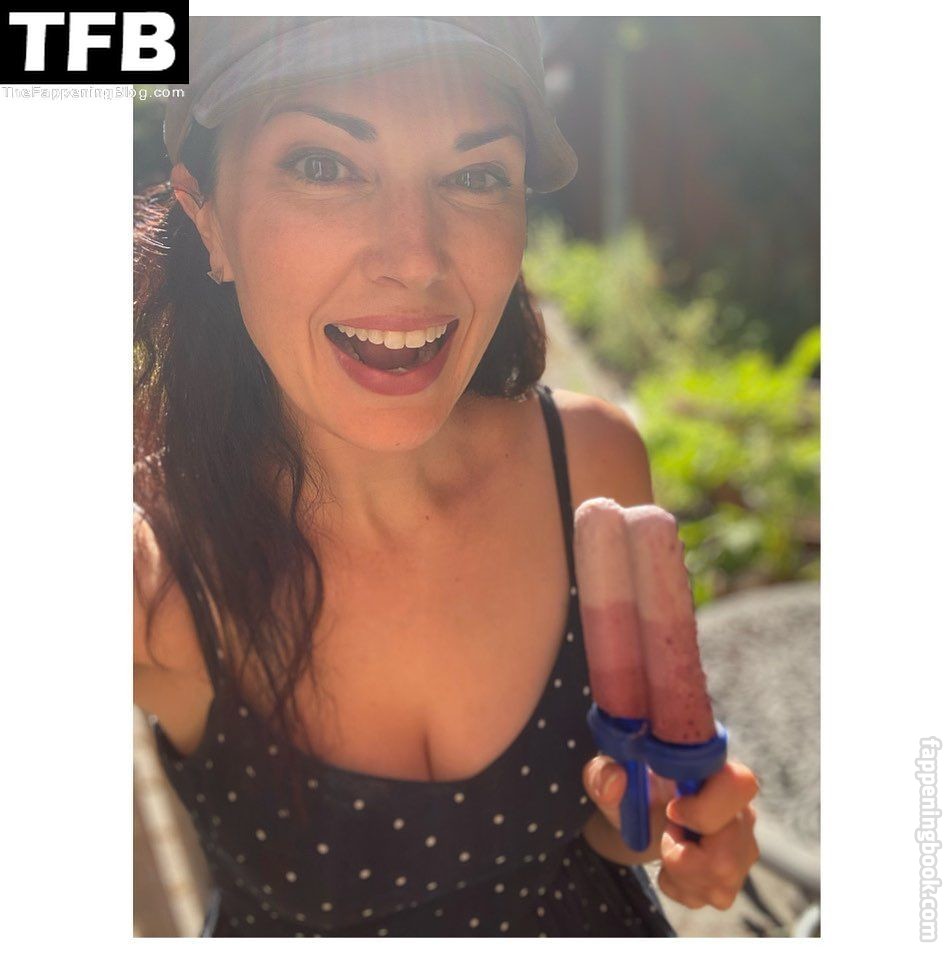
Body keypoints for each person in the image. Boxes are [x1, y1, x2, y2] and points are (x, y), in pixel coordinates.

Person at [133, 16, 759, 938]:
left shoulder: (590, 464)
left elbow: (604, 830)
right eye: (323, 166)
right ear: (208, 220)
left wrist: (669, 828)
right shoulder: (154, 574)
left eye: (474, 176)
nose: (416, 257)